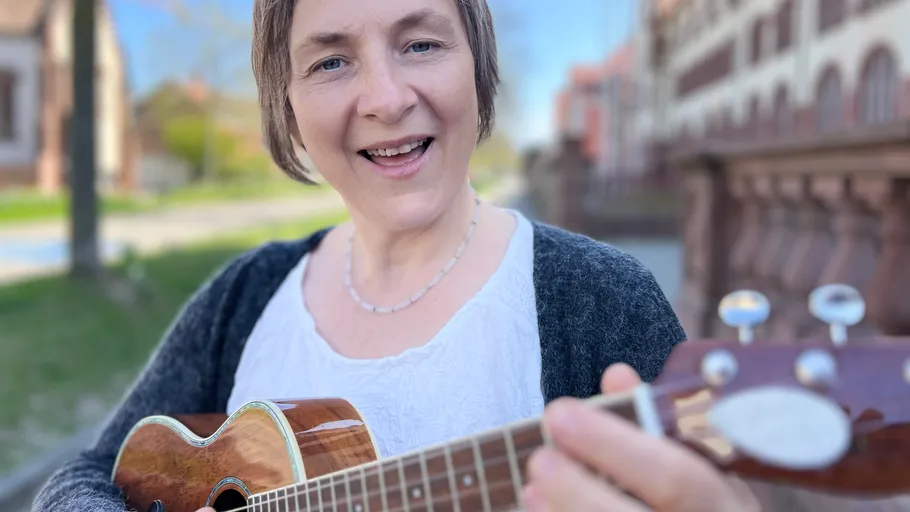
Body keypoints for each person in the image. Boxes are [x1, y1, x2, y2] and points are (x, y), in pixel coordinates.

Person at [32, 0, 761, 510]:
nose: (384, 98)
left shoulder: (597, 300)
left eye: (420, 43)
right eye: (331, 62)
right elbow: (83, 476)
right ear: (286, 102)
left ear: (477, 64)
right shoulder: (245, 296)